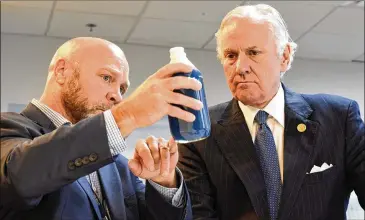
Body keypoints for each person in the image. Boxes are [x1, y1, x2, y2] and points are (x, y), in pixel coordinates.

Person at [177, 3, 364, 220]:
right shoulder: (200, 132)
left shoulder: (339, 118)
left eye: (253, 52)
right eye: (231, 55)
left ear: (284, 57)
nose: (240, 67)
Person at [0, 37, 203, 219]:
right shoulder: (8, 129)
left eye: (123, 88)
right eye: (107, 78)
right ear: (61, 71)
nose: (118, 96)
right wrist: (127, 114)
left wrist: (163, 182)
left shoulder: (119, 165)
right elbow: (18, 179)